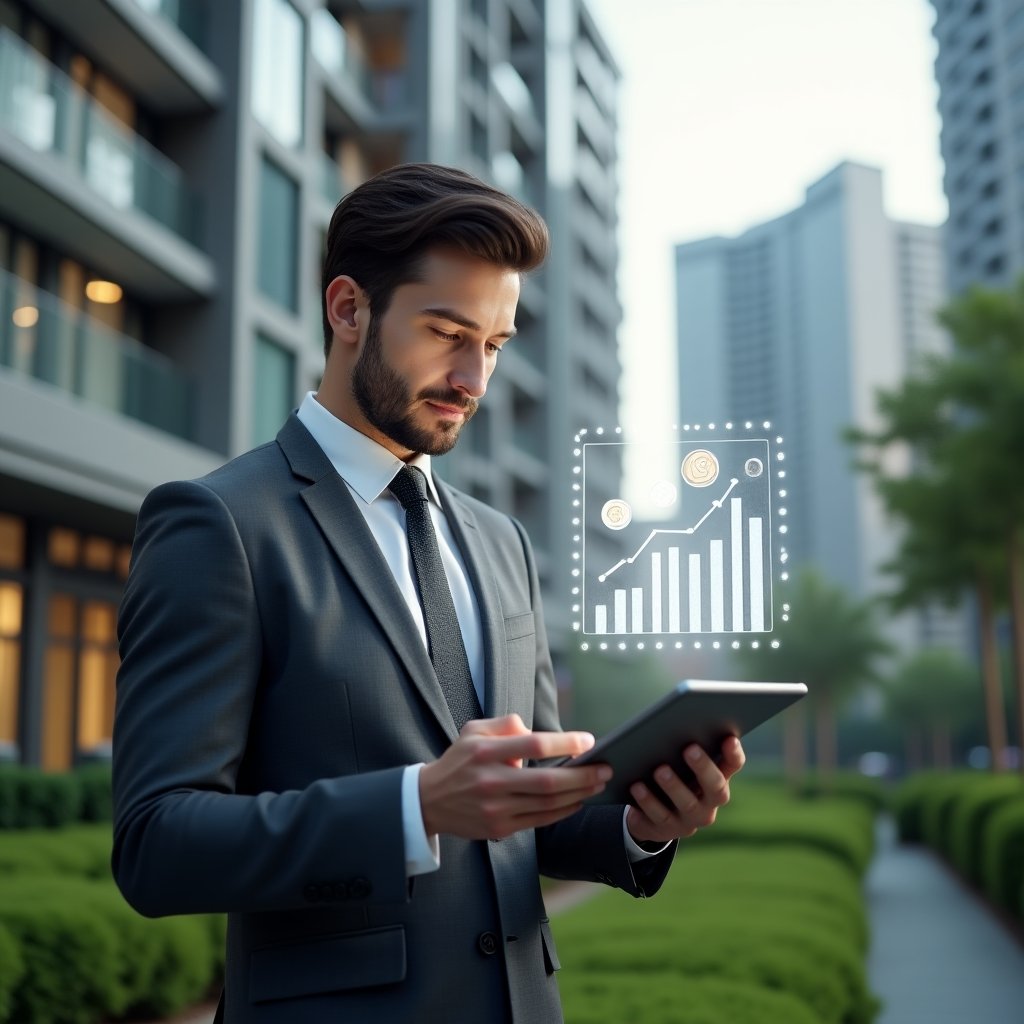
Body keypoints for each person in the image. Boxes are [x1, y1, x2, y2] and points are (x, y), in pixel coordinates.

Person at [111, 163, 745, 1024]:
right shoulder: (220, 524)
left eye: (495, 345)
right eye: (448, 333)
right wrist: (413, 807)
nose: (473, 380)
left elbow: (530, 811)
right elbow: (156, 844)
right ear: (348, 310)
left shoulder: (500, 541)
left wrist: (644, 822)